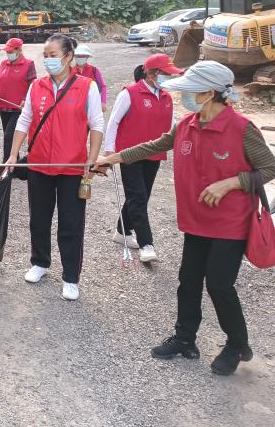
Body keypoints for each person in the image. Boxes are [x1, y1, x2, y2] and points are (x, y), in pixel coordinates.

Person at [96, 61, 275, 376]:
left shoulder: (242, 128)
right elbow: (154, 146)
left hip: (230, 223)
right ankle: (184, 339)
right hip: (196, 221)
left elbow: (270, 168)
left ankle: (237, 344)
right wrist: (112, 158)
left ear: (210, 92)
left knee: (219, 285)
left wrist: (231, 183)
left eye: (190, 90)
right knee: (188, 281)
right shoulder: (187, 124)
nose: (183, 96)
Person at [7, 34, 104, 301]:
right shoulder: (37, 86)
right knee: (38, 219)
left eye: (53, 55)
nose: (48, 60)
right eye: (45, 56)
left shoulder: (86, 86)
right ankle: (40, 262)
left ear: (69, 56)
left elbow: (97, 124)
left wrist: (92, 160)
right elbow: (24, 120)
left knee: (71, 224)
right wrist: (14, 154)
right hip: (39, 164)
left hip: (72, 168)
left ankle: (70, 277)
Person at [104, 53, 182, 262]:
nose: (168, 78)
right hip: (129, 155)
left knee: (141, 196)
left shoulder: (166, 97)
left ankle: (122, 231)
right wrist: (109, 152)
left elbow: (172, 127)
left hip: (154, 154)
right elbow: (113, 122)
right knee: (138, 197)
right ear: (151, 74)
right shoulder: (129, 93)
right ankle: (147, 244)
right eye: (166, 73)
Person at [0, 38, 36, 162]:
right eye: (7, 51)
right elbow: (0, 82)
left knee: (8, 137)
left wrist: (26, 99)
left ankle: (6, 166)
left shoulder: (29, 64)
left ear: (19, 50)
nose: (8, 54)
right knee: (10, 137)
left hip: (18, 108)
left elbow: (34, 86)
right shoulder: (4, 63)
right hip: (3, 106)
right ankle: (14, 163)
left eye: (10, 51)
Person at [73, 44, 107, 112]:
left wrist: (103, 102)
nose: (80, 57)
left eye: (83, 56)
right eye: (78, 56)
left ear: (87, 56)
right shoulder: (70, 71)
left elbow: (103, 86)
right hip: (75, 104)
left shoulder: (94, 70)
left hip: (92, 103)